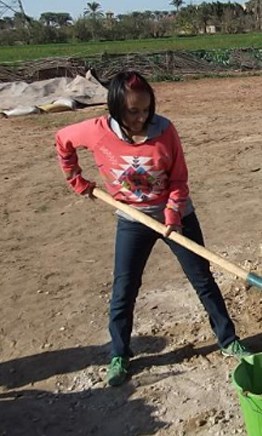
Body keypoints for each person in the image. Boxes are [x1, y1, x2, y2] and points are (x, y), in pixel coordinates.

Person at [56, 70, 251, 387]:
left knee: (202, 278)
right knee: (124, 288)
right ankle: (119, 354)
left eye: (146, 109)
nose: (141, 117)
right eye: (133, 111)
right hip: (133, 219)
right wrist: (76, 179)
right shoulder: (96, 132)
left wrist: (173, 214)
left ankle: (228, 340)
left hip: (177, 217)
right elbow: (62, 140)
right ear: (117, 108)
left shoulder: (165, 131)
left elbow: (178, 179)